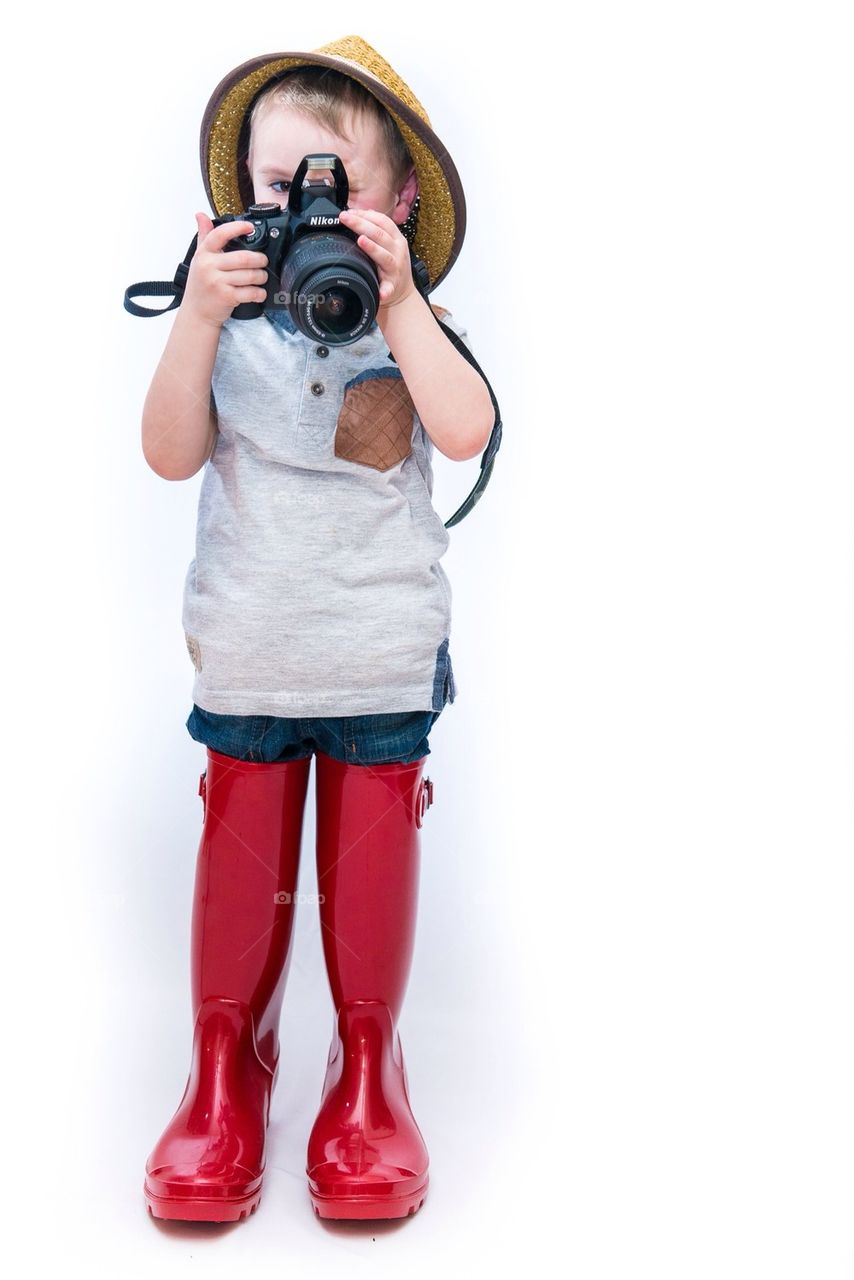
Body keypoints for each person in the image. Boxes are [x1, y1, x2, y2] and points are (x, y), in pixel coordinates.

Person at [138, 35, 497, 1225]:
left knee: (367, 866)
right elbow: (167, 452)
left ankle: (368, 1073)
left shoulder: (412, 322)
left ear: (392, 204)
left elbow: (463, 429)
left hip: (378, 657)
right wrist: (193, 316)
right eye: (277, 187)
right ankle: (223, 1072)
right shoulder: (227, 326)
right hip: (247, 646)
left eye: (332, 186)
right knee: (236, 865)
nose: (306, 209)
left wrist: (397, 302)